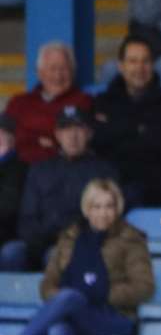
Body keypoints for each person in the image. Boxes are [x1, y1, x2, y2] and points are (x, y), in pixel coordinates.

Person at [25, 178, 154, 335]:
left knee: (70, 298)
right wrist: (70, 299)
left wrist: (102, 293)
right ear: (87, 209)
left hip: (113, 315)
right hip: (74, 311)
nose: (103, 213)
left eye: (109, 206)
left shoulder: (131, 240)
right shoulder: (69, 238)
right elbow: (47, 285)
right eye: (97, 207)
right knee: (58, 329)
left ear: (117, 209)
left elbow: (144, 287)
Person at [1, 107, 117, 271]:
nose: (72, 136)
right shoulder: (40, 169)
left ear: (89, 133)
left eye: (79, 128)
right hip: (38, 243)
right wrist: (38, 242)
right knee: (10, 253)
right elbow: (27, 217)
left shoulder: (104, 171)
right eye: (66, 129)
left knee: (55, 255)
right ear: (57, 134)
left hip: (76, 243)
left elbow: (102, 219)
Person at [90, 34, 161, 208]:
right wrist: (138, 130)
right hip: (109, 193)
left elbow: (160, 147)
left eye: (145, 61)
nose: (139, 68)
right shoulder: (102, 101)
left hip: (155, 194)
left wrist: (118, 130)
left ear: (153, 65)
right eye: (133, 61)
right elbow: (98, 144)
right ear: (121, 66)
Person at [4, 41, 93, 166]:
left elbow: (79, 141)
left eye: (64, 69)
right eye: (52, 68)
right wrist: (41, 140)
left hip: (64, 169)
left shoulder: (83, 101)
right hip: (19, 169)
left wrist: (29, 139)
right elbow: (5, 138)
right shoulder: (18, 103)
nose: (58, 75)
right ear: (39, 73)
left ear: (73, 72)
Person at [0, 115, 24, 250]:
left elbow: (8, 208)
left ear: (13, 140)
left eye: (3, 133)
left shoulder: (19, 169)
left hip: (6, 235)